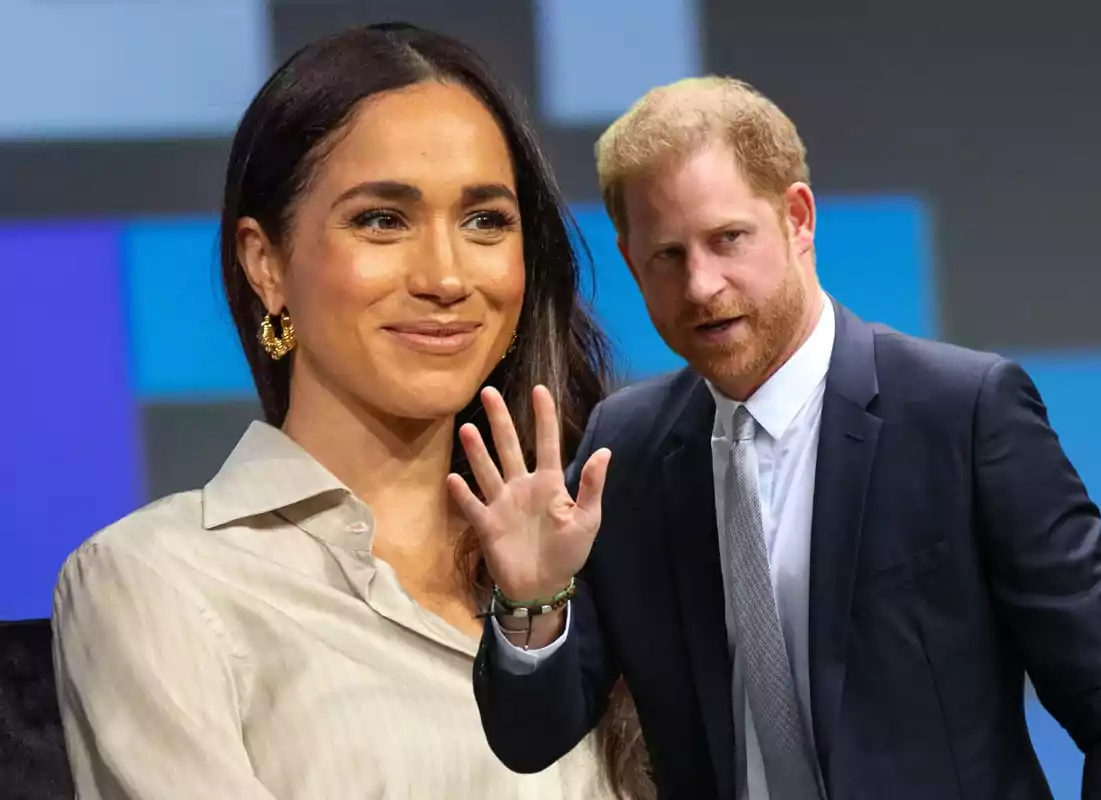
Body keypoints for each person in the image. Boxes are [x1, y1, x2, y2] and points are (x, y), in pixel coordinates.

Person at [459, 77, 1101, 798]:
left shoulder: (961, 413)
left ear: (798, 219)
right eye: (668, 256)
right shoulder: (628, 449)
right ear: (630, 262)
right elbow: (531, 739)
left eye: (728, 239)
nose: (702, 286)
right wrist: (534, 602)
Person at [51, 23, 652, 800]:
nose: (444, 276)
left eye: (485, 222)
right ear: (266, 263)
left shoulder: (599, 570)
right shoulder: (154, 583)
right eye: (382, 220)